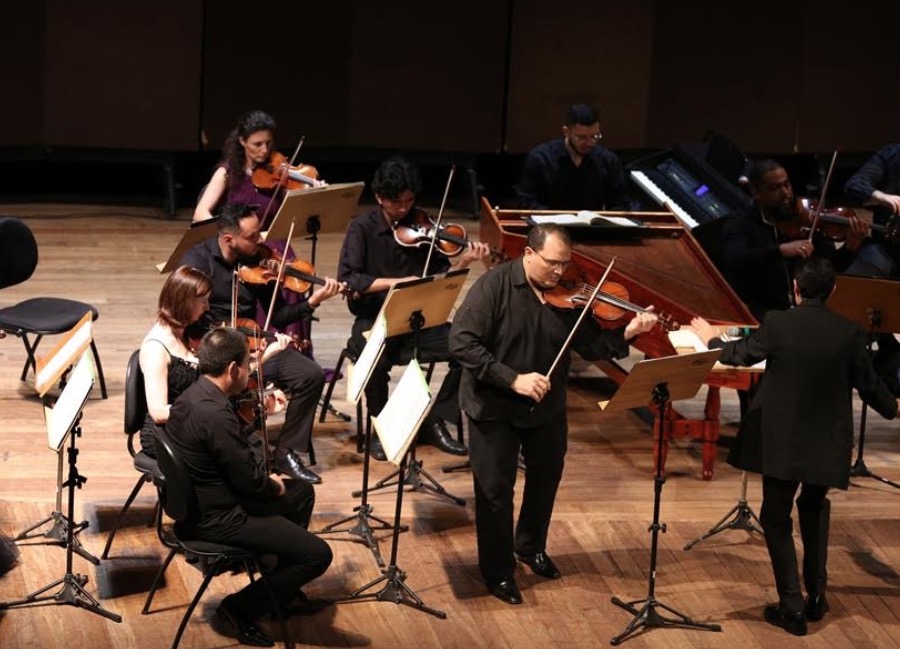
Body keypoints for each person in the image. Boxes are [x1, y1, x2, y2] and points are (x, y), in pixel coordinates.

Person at [689, 256, 900, 637]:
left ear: (796, 289)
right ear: (833, 291)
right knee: (814, 506)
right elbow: (871, 388)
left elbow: (740, 355)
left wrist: (711, 340)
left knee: (775, 518)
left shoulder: (778, 322)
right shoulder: (850, 333)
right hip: (827, 442)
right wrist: (894, 407)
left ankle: (792, 607)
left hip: (783, 442)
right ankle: (816, 596)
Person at [448, 223, 657, 605]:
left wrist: (629, 333)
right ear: (529, 254)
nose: (561, 273)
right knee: (495, 493)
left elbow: (594, 345)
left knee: (546, 478)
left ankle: (530, 547)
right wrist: (512, 379)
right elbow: (461, 342)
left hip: (546, 407)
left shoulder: (570, 298)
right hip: (493, 406)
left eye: (566, 264)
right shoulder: (493, 288)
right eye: (552, 264)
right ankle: (498, 572)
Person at [164, 327, 333, 647]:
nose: (251, 370)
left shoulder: (193, 396)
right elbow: (250, 481)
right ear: (231, 369)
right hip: (221, 519)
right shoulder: (216, 415)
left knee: (303, 493)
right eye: (247, 364)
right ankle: (239, 608)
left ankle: (279, 591)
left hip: (202, 503)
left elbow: (229, 456)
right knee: (318, 555)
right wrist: (274, 486)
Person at [337, 157, 490, 460]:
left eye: (409, 201)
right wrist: (396, 283)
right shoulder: (362, 228)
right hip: (376, 319)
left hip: (417, 319)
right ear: (380, 198)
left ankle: (435, 420)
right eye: (396, 203)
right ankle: (382, 429)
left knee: (470, 349)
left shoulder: (424, 227)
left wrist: (464, 263)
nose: (404, 209)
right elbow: (349, 278)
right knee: (373, 360)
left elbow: (441, 279)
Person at [182, 202, 344, 483]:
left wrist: (312, 301)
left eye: (259, 233)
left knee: (310, 374)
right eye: (253, 236)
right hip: (212, 353)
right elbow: (185, 316)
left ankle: (286, 452)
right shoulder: (198, 261)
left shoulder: (257, 264)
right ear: (229, 239)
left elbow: (278, 315)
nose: (261, 241)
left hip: (253, 346)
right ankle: (237, 457)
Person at [719, 159, 867, 322]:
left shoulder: (803, 222)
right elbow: (735, 258)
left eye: (786, 185)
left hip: (802, 317)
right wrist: (781, 250)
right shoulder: (741, 223)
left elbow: (829, 269)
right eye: (774, 188)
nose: (786, 193)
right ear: (756, 192)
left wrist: (850, 247)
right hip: (761, 317)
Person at [193, 109, 325, 226]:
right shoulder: (226, 173)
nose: (265, 150)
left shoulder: (278, 174)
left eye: (268, 143)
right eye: (257, 144)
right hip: (239, 245)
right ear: (242, 141)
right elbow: (200, 213)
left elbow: (294, 215)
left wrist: (313, 195)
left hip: (272, 240)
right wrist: (227, 234)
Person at [139, 265, 209, 457]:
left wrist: (264, 355)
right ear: (185, 302)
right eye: (203, 301)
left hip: (192, 427)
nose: (207, 307)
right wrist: (208, 412)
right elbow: (159, 412)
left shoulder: (188, 333)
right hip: (166, 436)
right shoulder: (156, 348)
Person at [514, 103, 626, 211]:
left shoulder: (608, 161)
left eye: (594, 136)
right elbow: (525, 201)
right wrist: (555, 217)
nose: (589, 143)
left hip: (592, 229)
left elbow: (619, 204)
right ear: (566, 132)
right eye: (582, 137)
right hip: (550, 227)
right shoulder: (540, 158)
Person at [843, 143, 900, 279]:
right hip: (887, 249)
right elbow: (854, 185)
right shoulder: (892, 155)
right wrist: (881, 197)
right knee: (854, 281)